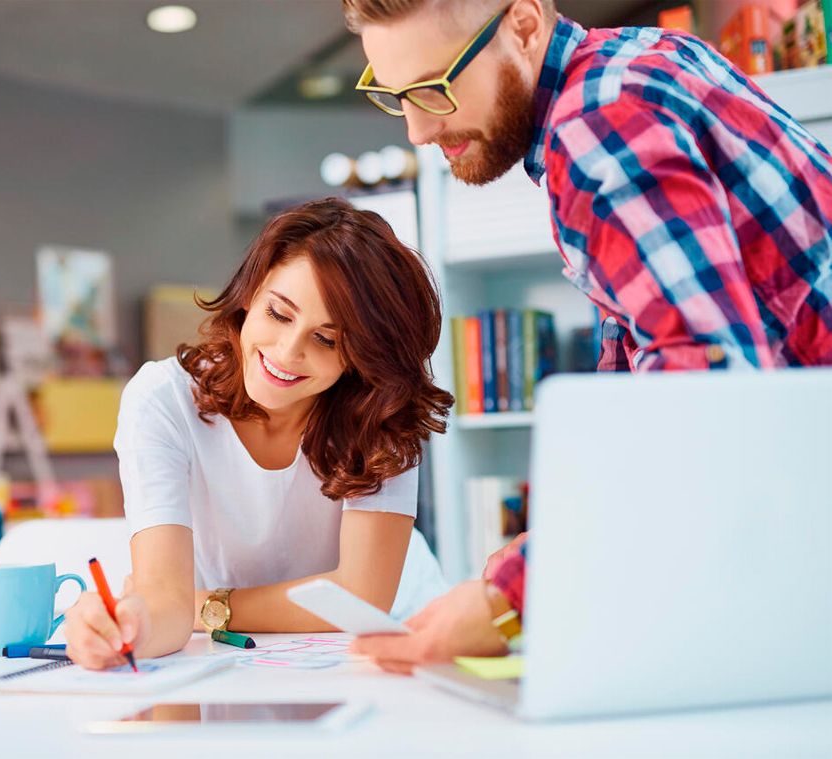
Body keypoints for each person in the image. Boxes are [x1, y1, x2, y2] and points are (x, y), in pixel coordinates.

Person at [343, 0, 832, 672]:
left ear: (521, 24)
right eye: (393, 94)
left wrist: (508, 597)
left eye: (434, 85)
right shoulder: (640, 61)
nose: (419, 129)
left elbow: (710, 399)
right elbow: (645, 376)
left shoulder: (599, 124)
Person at [64, 197, 454, 669]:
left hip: (383, 645)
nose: (287, 353)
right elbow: (166, 600)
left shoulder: (382, 413)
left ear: (361, 355)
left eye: (326, 340)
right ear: (251, 293)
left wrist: (207, 605)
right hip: (233, 650)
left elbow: (362, 598)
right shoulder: (162, 400)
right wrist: (131, 628)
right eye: (279, 314)